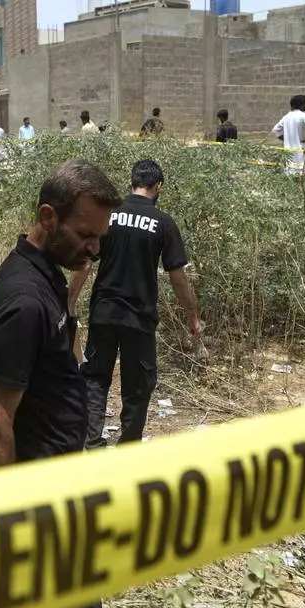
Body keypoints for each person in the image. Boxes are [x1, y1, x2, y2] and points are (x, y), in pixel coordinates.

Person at [0, 159, 190, 608]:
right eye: (86, 235)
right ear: (48, 217)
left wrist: (78, 282)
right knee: (74, 604)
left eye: (99, 238)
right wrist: (6, 509)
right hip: (37, 484)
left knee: (18, 587)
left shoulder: (45, 278)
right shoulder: (21, 300)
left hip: (56, 466)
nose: (94, 247)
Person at [68, 159, 202, 448]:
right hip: (139, 319)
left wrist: (69, 301)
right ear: (158, 186)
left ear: (132, 182)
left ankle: (91, 444)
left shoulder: (109, 215)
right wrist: (192, 314)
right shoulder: (163, 223)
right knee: (137, 387)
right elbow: (177, 277)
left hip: (103, 313)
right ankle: (128, 449)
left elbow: (86, 262)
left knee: (95, 379)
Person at [271, 94, 305, 175]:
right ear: (301, 104)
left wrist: (286, 139)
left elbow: (275, 130)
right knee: (303, 173)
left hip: (288, 150)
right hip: (301, 148)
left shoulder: (286, 117)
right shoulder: (304, 116)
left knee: (289, 172)